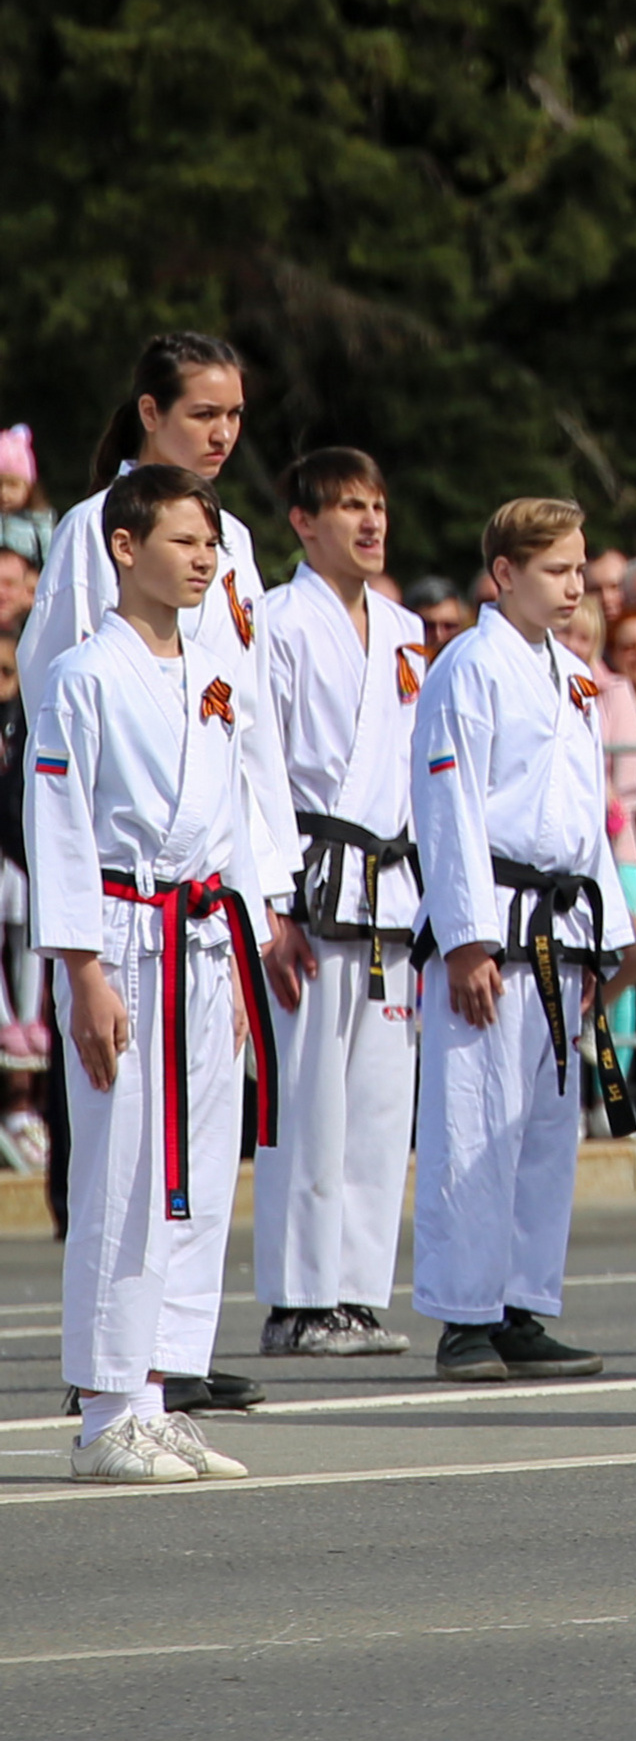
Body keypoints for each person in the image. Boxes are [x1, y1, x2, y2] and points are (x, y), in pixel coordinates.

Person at [30, 334, 295, 1415]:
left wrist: (264, 894)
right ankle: (113, 1381)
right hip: (122, 873)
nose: (224, 433)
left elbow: (254, 721)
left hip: (208, 880)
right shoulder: (100, 534)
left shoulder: (230, 541)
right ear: (150, 412)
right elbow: (54, 690)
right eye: (203, 414)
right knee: (126, 1151)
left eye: (236, 415)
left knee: (200, 1133)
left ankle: (168, 1356)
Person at [410, 499, 636, 1384]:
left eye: (582, 568)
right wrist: (464, 938)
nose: (577, 584)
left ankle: (523, 1305)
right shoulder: (468, 665)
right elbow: (448, 806)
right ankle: (463, 1317)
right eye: (558, 569)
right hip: (494, 924)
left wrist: (601, 944)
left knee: (545, 1124)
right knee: (472, 1118)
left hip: (560, 925)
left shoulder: (575, 676)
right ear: (504, 575)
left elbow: (589, 827)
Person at [251, 449, 430, 1360]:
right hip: (312, 884)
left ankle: (356, 1293)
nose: (369, 523)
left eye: (378, 505)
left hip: (391, 888)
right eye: (348, 507)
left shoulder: (404, 629)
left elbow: (417, 777)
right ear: (303, 523)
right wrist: (273, 906)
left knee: (376, 1102)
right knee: (306, 1099)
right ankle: (296, 1298)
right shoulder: (276, 623)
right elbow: (260, 769)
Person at [0, 422, 52, 568]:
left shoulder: (40, 525)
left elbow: (50, 563)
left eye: (12, 485)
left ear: (29, 487)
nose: (4, 493)